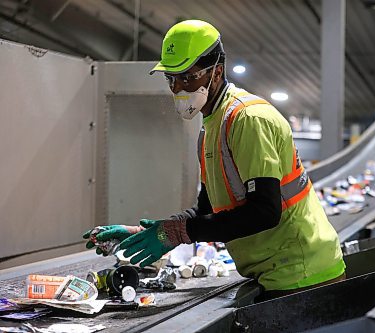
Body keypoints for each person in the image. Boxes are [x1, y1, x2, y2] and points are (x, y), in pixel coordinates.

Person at [83, 20, 345, 299]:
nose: (178, 88)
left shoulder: (247, 119)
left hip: (303, 275)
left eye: (188, 77)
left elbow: (265, 212)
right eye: (171, 79)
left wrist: (180, 232)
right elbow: (206, 210)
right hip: (276, 271)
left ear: (216, 72)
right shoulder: (211, 129)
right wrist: (152, 232)